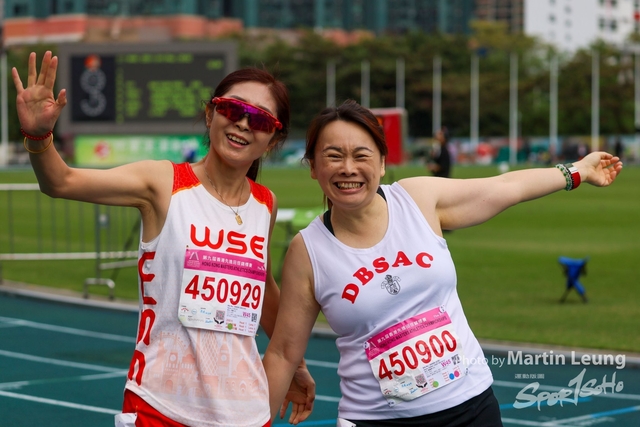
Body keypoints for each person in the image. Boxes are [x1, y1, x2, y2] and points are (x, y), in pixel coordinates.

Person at [262, 99, 622, 426]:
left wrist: (577, 171)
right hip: (375, 419)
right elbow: (282, 354)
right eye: (333, 156)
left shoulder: (417, 199)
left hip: (471, 410)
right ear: (313, 167)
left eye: (361, 155)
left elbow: (504, 187)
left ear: (383, 163)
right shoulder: (307, 251)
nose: (348, 168)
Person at [12, 51, 315, 427]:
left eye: (260, 119)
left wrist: (295, 364)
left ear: (272, 139)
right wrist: (39, 135)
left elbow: (263, 287)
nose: (242, 123)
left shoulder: (265, 204)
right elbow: (61, 182)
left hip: (246, 412)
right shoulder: (163, 182)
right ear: (210, 114)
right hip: (161, 408)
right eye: (232, 109)